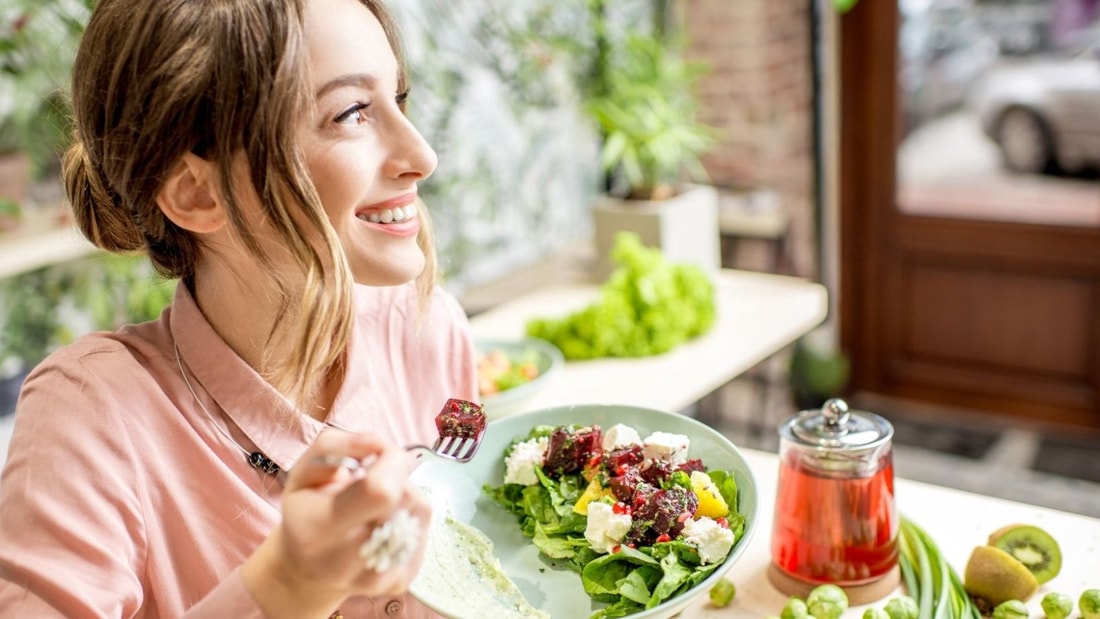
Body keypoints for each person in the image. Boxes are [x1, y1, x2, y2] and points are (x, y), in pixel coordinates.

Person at [0, 0, 478, 616]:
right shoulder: (91, 416)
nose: (422, 154)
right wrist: (286, 586)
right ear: (197, 192)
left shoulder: (428, 327)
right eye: (352, 112)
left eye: (399, 98)